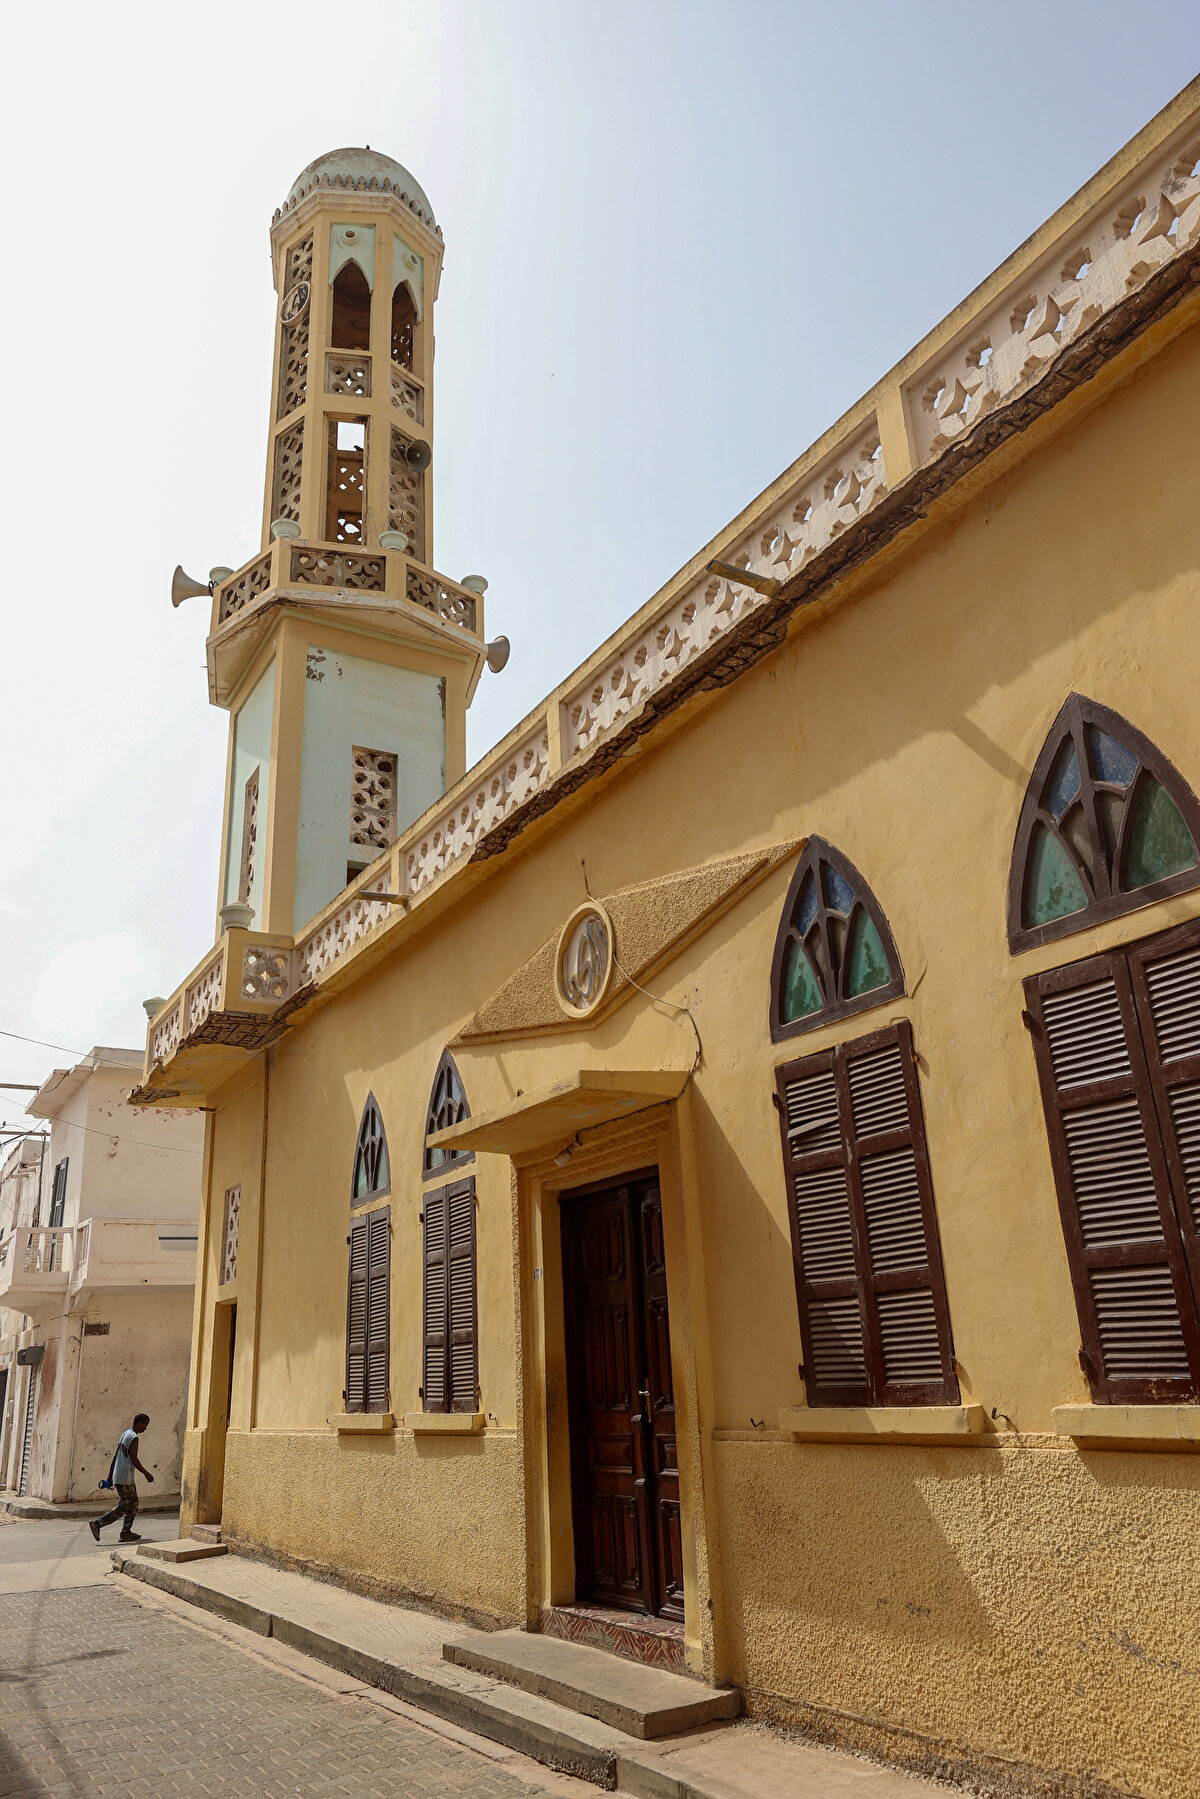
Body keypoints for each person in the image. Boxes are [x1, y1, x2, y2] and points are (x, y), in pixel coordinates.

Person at [89, 1412, 154, 1543]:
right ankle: (98, 1523)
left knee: (133, 1505)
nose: (145, 1428)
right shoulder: (134, 1437)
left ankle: (126, 1532)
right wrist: (146, 1473)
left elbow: (115, 1457)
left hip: (121, 1476)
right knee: (125, 1506)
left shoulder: (125, 1434)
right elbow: (134, 1458)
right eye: (145, 1425)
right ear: (139, 1423)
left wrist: (110, 1476)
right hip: (125, 1478)